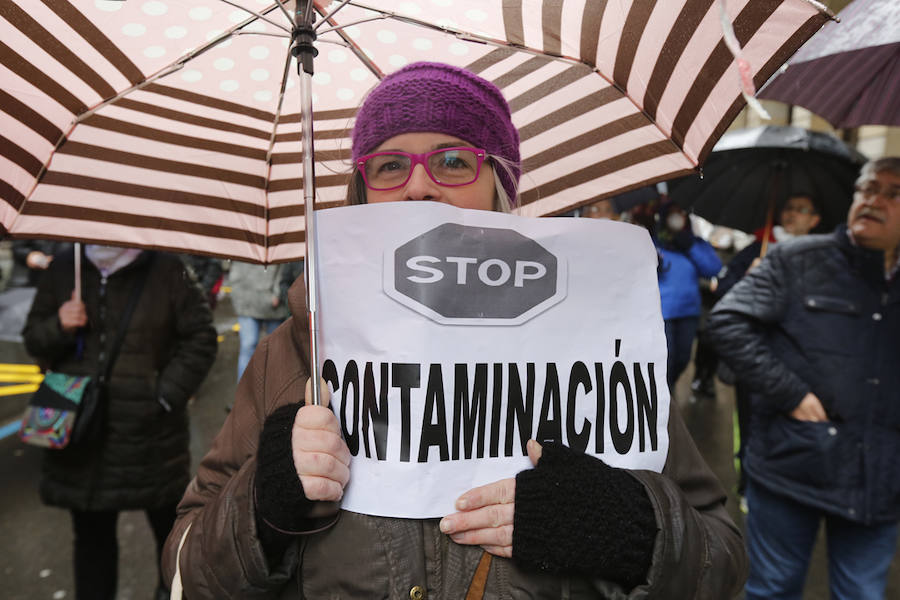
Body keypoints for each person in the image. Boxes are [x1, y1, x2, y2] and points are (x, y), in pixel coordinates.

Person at [161, 62, 747, 598]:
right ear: (360, 192)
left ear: (500, 184)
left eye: (452, 160)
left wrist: (631, 530)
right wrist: (262, 506)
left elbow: (720, 563)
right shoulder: (292, 355)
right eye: (390, 165)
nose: (419, 186)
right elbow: (185, 570)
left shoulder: (595, 341)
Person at [708, 157, 900, 600]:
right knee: (773, 588)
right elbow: (727, 322)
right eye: (868, 188)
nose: (874, 200)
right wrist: (790, 392)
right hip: (793, 459)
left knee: (861, 593)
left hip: (880, 476)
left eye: (893, 193)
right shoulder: (798, 260)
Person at [23, 245, 218, 600]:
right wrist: (59, 325)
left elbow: (201, 337)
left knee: (169, 535)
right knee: (91, 541)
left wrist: (163, 396)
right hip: (80, 434)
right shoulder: (65, 266)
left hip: (149, 434)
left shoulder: (167, 268)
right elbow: (34, 338)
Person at [713, 193, 822, 497]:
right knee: (750, 424)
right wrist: (749, 279)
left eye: (801, 210)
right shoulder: (755, 250)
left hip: (801, 359)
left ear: (814, 220)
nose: (792, 214)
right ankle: (749, 482)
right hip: (756, 356)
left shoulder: (823, 256)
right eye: (788, 208)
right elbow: (722, 289)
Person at [653, 200, 722, 391]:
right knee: (667, 359)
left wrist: (689, 246)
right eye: (672, 213)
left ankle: (669, 389)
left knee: (683, 359)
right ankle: (665, 398)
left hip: (688, 312)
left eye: (681, 212)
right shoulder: (653, 242)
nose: (677, 217)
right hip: (661, 313)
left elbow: (713, 268)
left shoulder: (696, 243)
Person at [226, 260, 297, 382]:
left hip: (273, 305)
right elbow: (234, 270)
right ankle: (243, 395)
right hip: (246, 303)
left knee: (275, 351)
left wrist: (277, 293)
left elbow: (285, 269)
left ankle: (274, 392)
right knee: (248, 346)